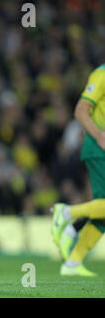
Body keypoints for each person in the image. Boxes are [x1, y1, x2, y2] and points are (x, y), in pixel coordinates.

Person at [51, 64, 105, 277]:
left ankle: (73, 263)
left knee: (103, 213)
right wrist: (99, 135)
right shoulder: (101, 74)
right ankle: (65, 213)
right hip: (99, 148)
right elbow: (80, 110)